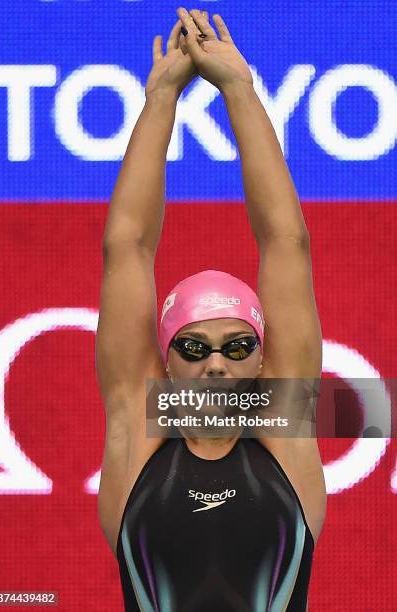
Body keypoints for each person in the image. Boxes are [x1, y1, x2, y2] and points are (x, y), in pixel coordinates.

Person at [96, 7, 327, 611]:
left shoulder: (287, 432)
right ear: (165, 363)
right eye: (194, 349)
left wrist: (239, 88)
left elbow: (287, 243)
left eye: (238, 345)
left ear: (262, 360)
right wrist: (161, 97)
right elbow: (127, 244)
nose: (217, 365)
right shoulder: (136, 437)